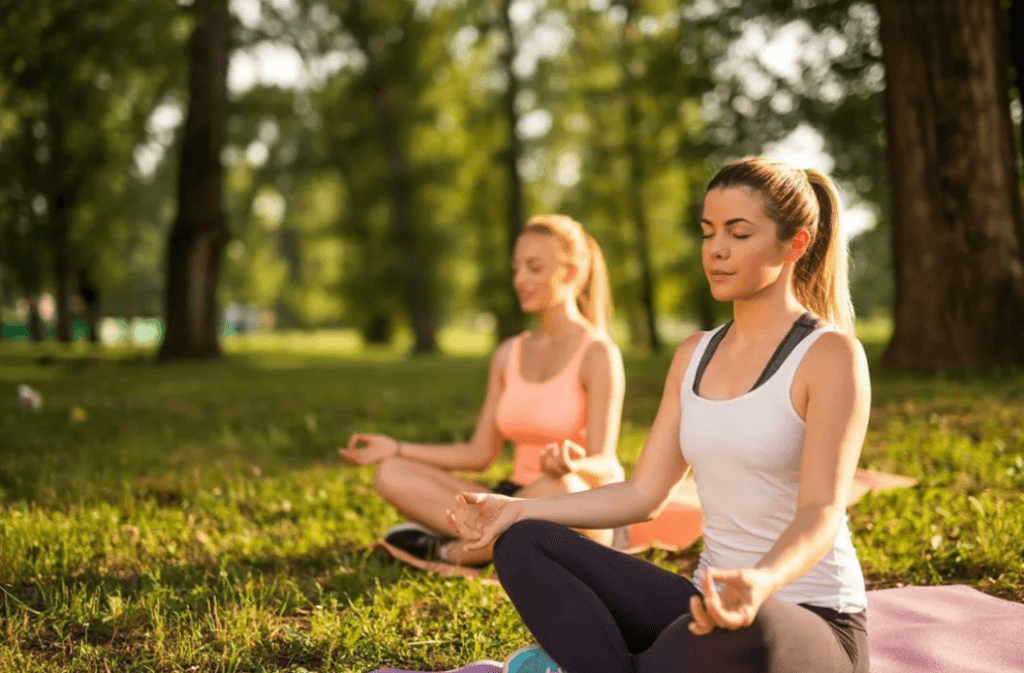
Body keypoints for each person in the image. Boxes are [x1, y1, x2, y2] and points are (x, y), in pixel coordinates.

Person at [449, 158, 871, 673]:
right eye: (708, 232)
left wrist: (762, 581)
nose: (716, 249)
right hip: (702, 608)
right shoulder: (694, 354)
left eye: (738, 234)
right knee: (524, 542)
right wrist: (515, 509)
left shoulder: (830, 355)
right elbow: (643, 494)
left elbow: (821, 512)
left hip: (806, 621)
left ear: (795, 245)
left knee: (749, 626)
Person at [339, 214, 626, 566]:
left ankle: (449, 551)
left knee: (559, 488)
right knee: (391, 472)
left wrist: (573, 463)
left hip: (573, 502)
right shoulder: (509, 353)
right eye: (516, 268)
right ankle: (492, 543)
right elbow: (478, 453)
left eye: (533, 268)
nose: (520, 280)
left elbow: (607, 465)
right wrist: (395, 447)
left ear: (569, 274)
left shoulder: (598, 353)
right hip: (508, 499)